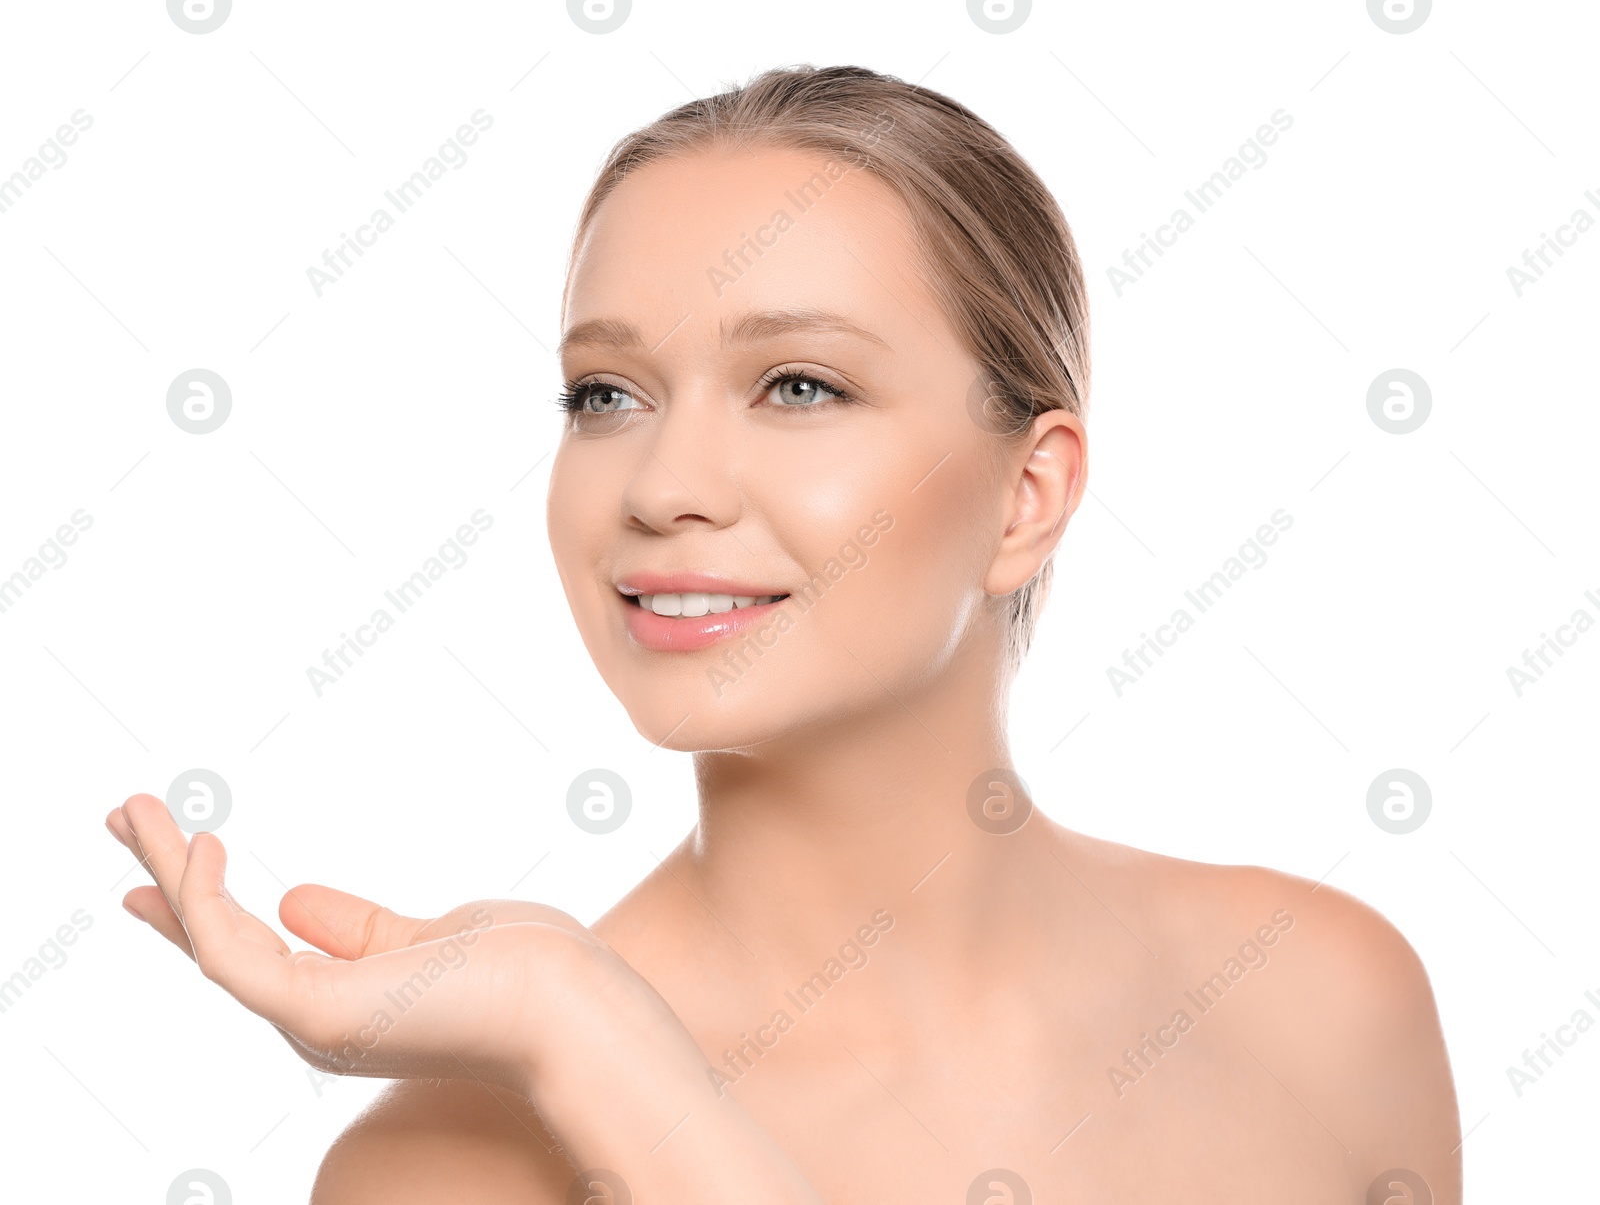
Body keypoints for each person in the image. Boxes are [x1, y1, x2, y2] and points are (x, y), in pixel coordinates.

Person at [105, 64, 1461, 1202]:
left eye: (797, 383)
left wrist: (609, 1059)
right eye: (606, 394)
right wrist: (586, 1038)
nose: (660, 485)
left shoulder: (1322, 1006)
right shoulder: (445, 1173)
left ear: (1026, 494)